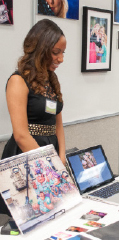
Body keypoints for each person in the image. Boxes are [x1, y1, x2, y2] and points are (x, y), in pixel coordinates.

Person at [1, 19, 67, 215]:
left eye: (63, 53)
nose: (61, 59)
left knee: (54, 212)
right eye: (56, 52)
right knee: (32, 214)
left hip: (50, 155)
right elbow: (21, 135)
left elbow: (58, 124)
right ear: (40, 49)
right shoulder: (18, 81)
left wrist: (61, 158)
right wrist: (48, 167)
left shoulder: (51, 80)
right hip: (27, 157)